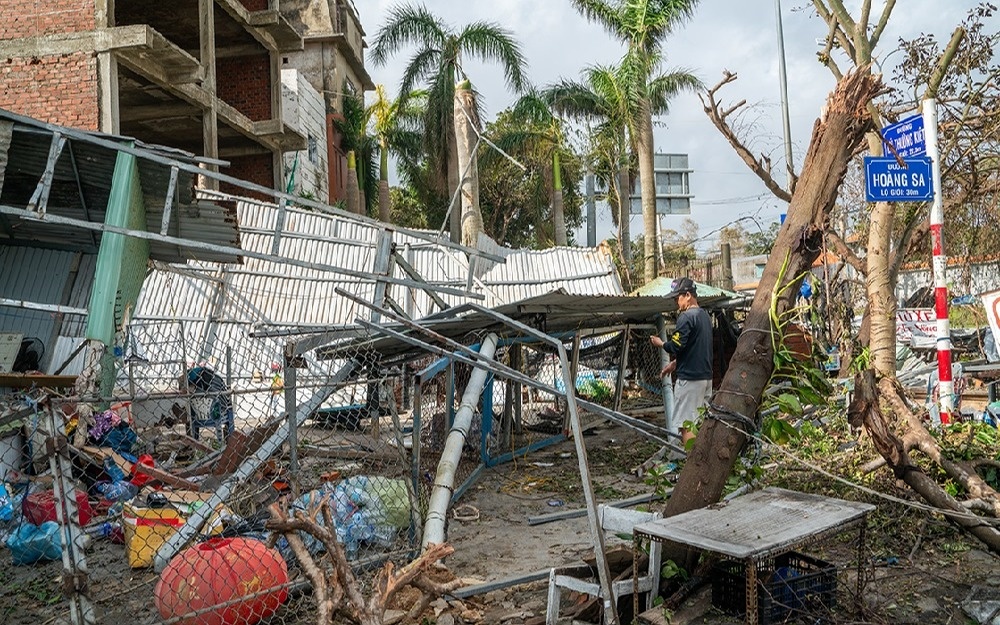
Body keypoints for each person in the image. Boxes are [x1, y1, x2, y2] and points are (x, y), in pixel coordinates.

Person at [649, 277, 714, 444]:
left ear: (687, 295)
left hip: (690, 381)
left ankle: (693, 467)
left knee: (687, 426)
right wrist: (675, 363)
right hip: (705, 379)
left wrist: (661, 343)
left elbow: (676, 346)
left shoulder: (686, 317)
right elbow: (695, 348)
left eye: (677, 298)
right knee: (701, 424)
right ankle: (704, 464)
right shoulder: (705, 317)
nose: (676, 302)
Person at [173, 365, 234, 442]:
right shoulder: (216, 381)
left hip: (196, 417)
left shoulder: (189, 389)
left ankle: (192, 440)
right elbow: (225, 401)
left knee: (188, 410)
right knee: (229, 408)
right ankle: (230, 437)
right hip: (216, 414)